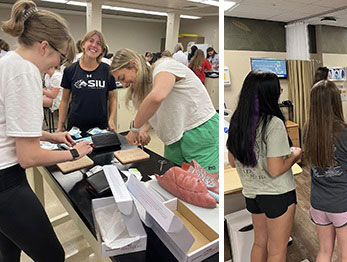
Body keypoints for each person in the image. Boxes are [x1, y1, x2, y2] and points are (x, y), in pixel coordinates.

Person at [0, 1, 93, 260]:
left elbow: (10, 124)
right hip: (5, 182)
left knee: (8, 251)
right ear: (44, 46)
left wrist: (52, 136)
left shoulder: (8, 62)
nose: (55, 67)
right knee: (52, 255)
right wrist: (75, 153)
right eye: (59, 58)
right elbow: (28, 157)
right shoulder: (25, 72)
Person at [226, 71, 302, 262]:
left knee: (259, 243)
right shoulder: (273, 123)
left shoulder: (238, 121)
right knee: (277, 251)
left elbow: (233, 162)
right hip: (277, 195)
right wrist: (295, 156)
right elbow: (275, 169)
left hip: (252, 193)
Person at [111, 48, 219, 174]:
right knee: (175, 178)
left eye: (123, 78)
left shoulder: (165, 67)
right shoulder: (144, 86)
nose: (123, 85)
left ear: (133, 64)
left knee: (207, 184)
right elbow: (153, 111)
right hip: (174, 137)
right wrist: (143, 130)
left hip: (199, 130)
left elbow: (157, 97)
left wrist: (134, 129)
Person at [304, 80, 347, 262]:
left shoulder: (308, 131)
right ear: (336, 101)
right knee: (345, 256)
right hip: (344, 204)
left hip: (318, 203)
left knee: (323, 252)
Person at [57, 30, 117, 133]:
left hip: (100, 127)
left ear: (102, 50)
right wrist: (59, 127)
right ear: (83, 44)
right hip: (75, 127)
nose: (94, 45)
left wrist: (111, 120)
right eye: (91, 41)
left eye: (99, 43)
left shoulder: (107, 70)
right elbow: (64, 101)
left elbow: (112, 99)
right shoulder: (70, 70)